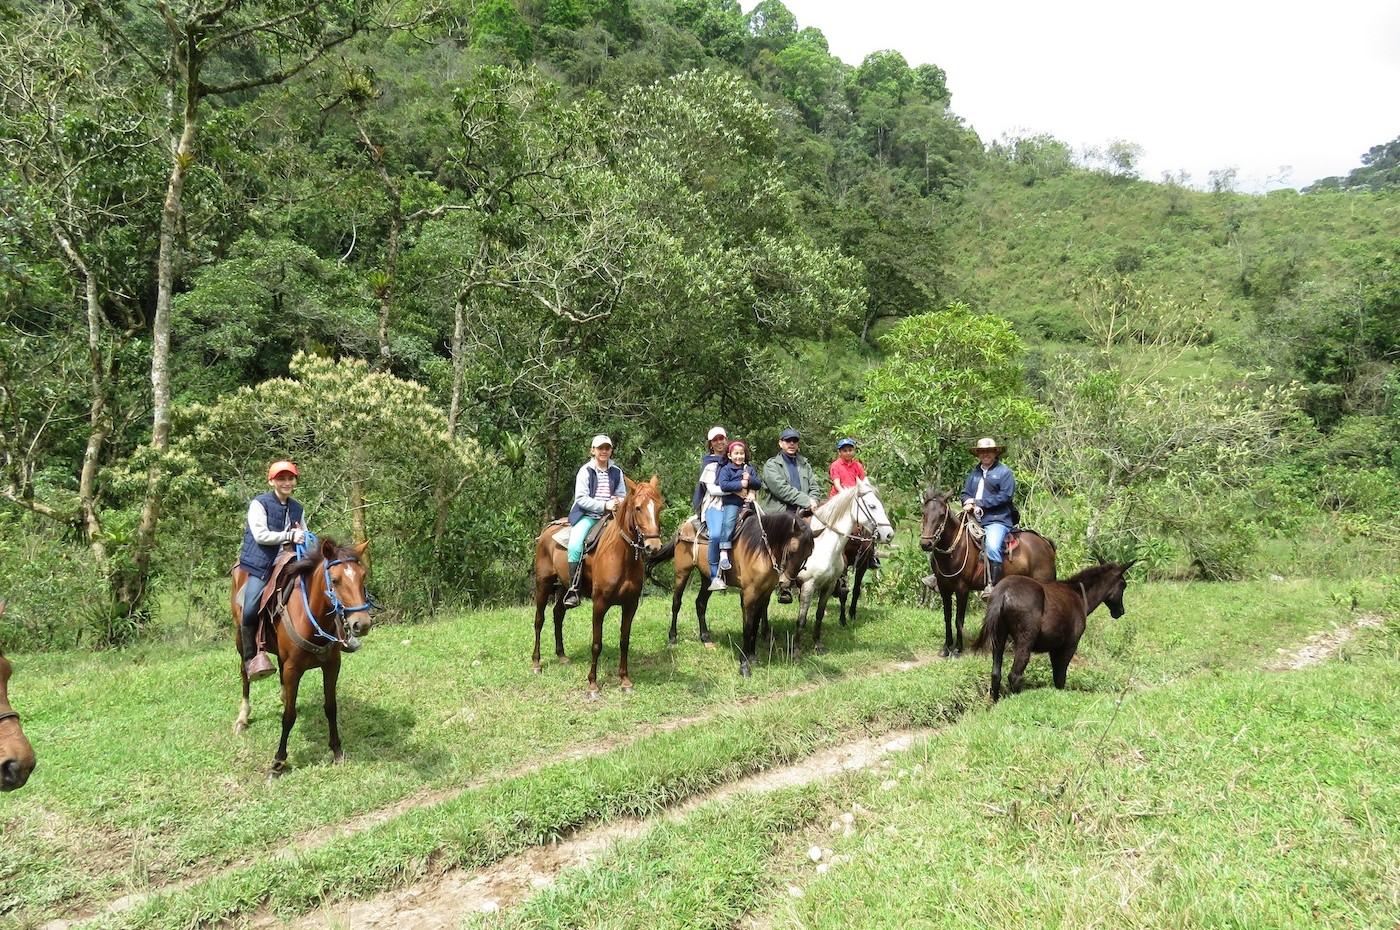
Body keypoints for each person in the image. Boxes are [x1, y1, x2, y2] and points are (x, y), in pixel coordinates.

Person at [238, 460, 310, 681]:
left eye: (290, 478)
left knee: (323, 585)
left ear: (295, 481)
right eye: (281, 478)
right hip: (262, 562)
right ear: (272, 481)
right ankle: (251, 657)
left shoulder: (298, 507)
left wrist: (308, 542)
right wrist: (289, 536)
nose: (286, 482)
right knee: (250, 606)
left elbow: (305, 533)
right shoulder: (259, 504)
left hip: (291, 559)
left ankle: (338, 635)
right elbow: (260, 535)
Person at [563, 434, 626, 609]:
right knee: (575, 545)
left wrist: (618, 502)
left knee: (632, 539)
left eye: (607, 448)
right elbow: (581, 498)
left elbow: (623, 495)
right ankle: (574, 589)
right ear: (593, 451)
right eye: (600, 448)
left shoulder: (617, 472)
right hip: (588, 516)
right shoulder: (585, 471)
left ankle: (632, 583)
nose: (604, 451)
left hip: (611, 518)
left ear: (611, 450)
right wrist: (604, 505)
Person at [961, 437, 1016, 595]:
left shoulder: (1004, 473)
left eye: (989, 451)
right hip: (973, 518)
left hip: (997, 519)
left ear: (995, 452)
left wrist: (978, 502)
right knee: (949, 535)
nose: (985, 454)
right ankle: (940, 577)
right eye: (982, 451)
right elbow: (965, 493)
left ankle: (994, 586)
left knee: (992, 546)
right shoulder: (974, 474)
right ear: (978, 454)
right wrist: (967, 502)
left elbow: (1005, 496)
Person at [709, 440, 762, 591]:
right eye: (736, 453)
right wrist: (741, 484)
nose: (739, 456)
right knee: (729, 522)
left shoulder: (749, 469)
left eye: (741, 453)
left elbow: (758, 484)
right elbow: (724, 485)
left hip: (748, 503)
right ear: (729, 455)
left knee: (762, 521)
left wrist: (751, 483)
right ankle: (724, 551)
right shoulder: (726, 469)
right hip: (732, 503)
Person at [761, 428, 821, 515]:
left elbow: (814, 487)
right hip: (780, 514)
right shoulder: (771, 465)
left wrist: (813, 501)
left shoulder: (804, 464)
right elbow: (781, 489)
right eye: (788, 440)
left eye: (795, 441)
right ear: (780, 443)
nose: (792, 443)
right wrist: (806, 501)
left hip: (806, 512)